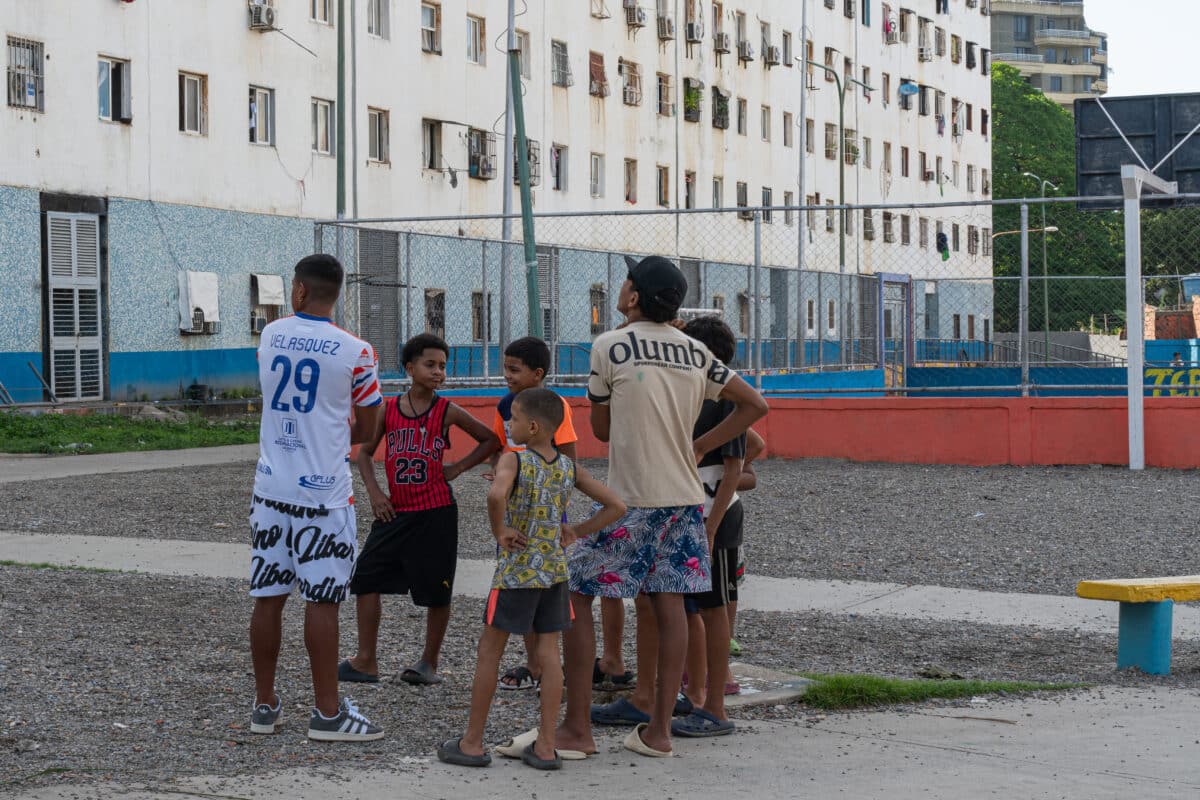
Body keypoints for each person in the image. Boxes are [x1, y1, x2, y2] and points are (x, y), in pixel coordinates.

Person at [560, 255, 769, 759]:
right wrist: (700, 446)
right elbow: (755, 405)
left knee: (578, 591)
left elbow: (603, 431)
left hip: (633, 497)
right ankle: (659, 732)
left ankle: (578, 728)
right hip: (684, 500)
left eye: (626, 280)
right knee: (670, 605)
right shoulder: (696, 352)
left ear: (633, 297)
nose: (622, 284)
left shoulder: (610, 345)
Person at [437, 388, 626, 770]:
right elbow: (616, 506)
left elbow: (495, 496)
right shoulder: (568, 468)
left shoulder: (514, 460)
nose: (510, 425)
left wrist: (500, 529)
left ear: (534, 426)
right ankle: (545, 745)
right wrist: (577, 529)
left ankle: (472, 742)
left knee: (490, 651)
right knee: (548, 655)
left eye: (516, 419)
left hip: (516, 574)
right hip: (554, 573)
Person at [248, 253, 385, 742]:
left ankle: (264, 706)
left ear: (300, 291)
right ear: (336, 294)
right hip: (323, 496)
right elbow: (370, 425)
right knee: (322, 602)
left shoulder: (270, 336)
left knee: (267, 599)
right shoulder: (356, 351)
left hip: (270, 489)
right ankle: (328, 713)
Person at [339, 333, 499, 686]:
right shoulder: (388, 410)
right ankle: (366, 659)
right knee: (365, 577)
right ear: (410, 368)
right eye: (430, 364)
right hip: (394, 512)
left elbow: (491, 439)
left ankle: (429, 662)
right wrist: (375, 493)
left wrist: (457, 469)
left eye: (443, 366)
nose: (438, 371)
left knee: (437, 590)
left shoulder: (447, 410)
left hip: (436, 512)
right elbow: (364, 453)